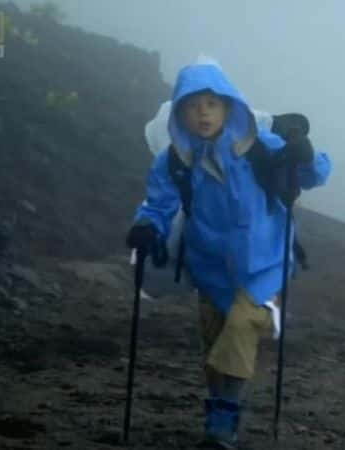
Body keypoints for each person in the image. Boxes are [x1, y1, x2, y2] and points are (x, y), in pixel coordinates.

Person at [126, 60, 331, 448]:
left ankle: (223, 422)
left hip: (265, 264)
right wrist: (146, 226)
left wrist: (304, 154)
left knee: (239, 328)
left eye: (211, 104)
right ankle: (221, 408)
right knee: (216, 341)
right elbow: (159, 205)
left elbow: (312, 175)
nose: (202, 113)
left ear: (229, 107)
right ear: (179, 113)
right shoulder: (174, 160)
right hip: (210, 267)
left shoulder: (257, 147)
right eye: (192, 106)